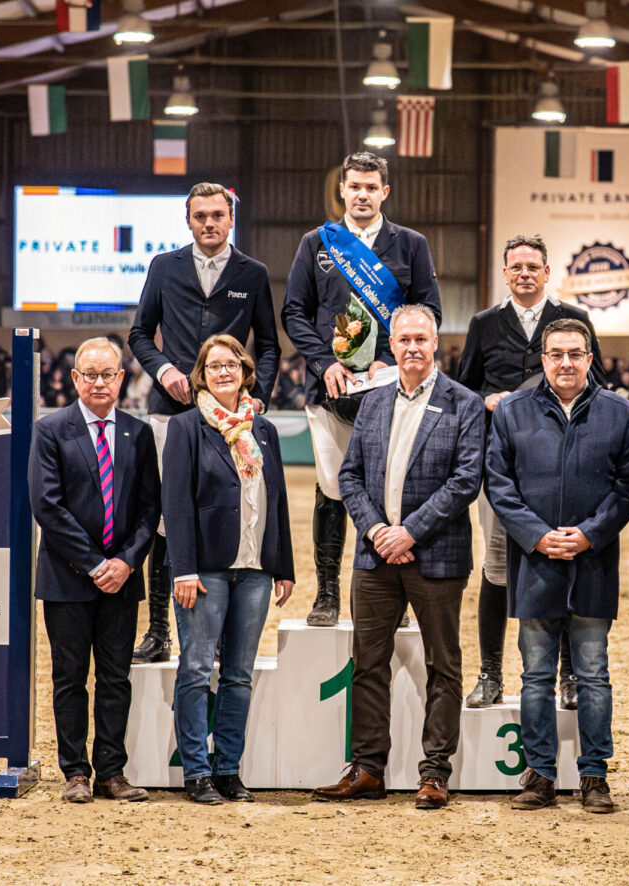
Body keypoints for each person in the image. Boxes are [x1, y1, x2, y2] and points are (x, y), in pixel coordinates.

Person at [312, 305, 484, 809]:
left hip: (434, 556)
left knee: (443, 665)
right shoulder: (374, 400)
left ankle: (434, 773)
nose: (412, 347)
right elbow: (349, 476)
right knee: (367, 664)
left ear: (436, 343)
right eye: (403, 339)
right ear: (392, 343)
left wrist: (409, 532)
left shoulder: (464, 404)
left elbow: (464, 482)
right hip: (374, 557)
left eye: (421, 339)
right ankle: (368, 769)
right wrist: (377, 530)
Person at [487, 318, 629, 813]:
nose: (566, 363)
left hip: (592, 562)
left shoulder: (621, 413)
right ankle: (539, 775)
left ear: (591, 358)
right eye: (556, 354)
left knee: (594, 673)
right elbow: (498, 483)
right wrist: (537, 536)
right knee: (535, 675)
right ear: (544, 358)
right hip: (535, 563)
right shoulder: (511, 411)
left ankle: (595, 776)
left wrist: (590, 535)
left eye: (576, 354)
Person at [281, 151, 442, 627]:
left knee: (395, 490)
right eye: (355, 187)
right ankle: (327, 593)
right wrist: (324, 360)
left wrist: (389, 363)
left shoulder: (411, 244)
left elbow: (428, 313)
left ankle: (398, 593)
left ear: (384, 192)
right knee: (331, 488)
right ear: (343, 190)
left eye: (372, 187)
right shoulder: (316, 244)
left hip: (391, 388)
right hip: (330, 389)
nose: (363, 195)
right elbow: (294, 311)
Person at [128, 182, 280, 664]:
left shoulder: (252, 273)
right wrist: (164, 369)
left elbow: (270, 346)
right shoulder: (163, 267)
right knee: (161, 519)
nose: (209, 223)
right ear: (188, 221)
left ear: (231, 218)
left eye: (218, 215)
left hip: (230, 417)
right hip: (170, 413)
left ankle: (215, 632)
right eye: (200, 216)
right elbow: (139, 333)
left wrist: (257, 396)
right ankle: (157, 630)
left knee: (223, 512)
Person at [457, 234, 605, 709]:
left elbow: (596, 382)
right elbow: (463, 392)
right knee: (497, 567)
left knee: (562, 558)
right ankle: (490, 673)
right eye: (515, 266)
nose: (523, 273)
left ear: (547, 272)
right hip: (501, 465)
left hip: (562, 462)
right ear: (505, 273)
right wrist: (486, 401)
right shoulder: (483, 324)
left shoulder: (575, 321)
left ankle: (570, 678)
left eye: (532, 266)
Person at [162, 334, 295, 804]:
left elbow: (275, 501)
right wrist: (182, 569)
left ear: (245, 372)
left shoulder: (264, 431)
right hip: (205, 571)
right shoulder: (186, 428)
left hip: (255, 569)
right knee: (197, 669)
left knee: (238, 674)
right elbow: (175, 504)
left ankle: (227, 770)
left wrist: (283, 566)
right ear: (202, 373)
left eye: (232, 364)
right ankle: (196, 771)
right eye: (214, 365)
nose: (223, 372)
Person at [28, 337, 160, 803]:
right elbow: (47, 506)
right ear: (74, 379)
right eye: (91, 374)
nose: (99, 382)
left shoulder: (138, 434)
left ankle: (111, 771)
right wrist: (94, 563)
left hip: (121, 581)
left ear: (122, 378)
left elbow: (149, 508)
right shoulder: (51, 430)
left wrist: (125, 562)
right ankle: (75, 773)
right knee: (68, 679)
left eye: (108, 374)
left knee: (114, 678)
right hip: (67, 579)